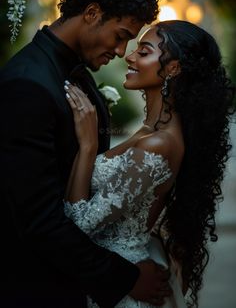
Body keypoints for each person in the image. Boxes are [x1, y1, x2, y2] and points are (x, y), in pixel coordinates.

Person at [0, 0, 173, 308]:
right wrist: (126, 278)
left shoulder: (72, 70)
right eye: (121, 36)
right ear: (92, 13)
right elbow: (38, 222)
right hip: (39, 290)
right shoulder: (27, 85)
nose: (122, 52)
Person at [63, 20, 235, 308]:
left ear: (173, 68)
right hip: (120, 273)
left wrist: (88, 146)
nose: (129, 56)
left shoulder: (158, 145)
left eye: (143, 52)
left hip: (121, 291)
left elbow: (78, 227)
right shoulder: (149, 133)